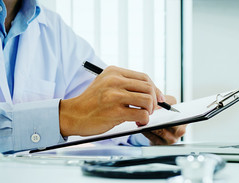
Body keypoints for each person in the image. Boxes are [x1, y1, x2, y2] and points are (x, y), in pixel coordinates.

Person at [0, 0, 186, 153]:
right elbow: (78, 112)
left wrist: (146, 123)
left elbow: (101, 108)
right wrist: (64, 117)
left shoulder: (51, 28)